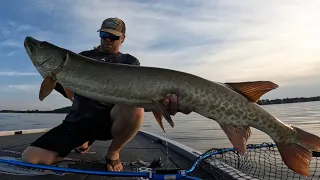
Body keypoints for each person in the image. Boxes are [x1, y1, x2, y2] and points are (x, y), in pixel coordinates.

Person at [21, 17, 192, 172]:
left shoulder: (129, 62)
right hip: (77, 122)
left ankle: (113, 152)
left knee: (135, 109)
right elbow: (70, 93)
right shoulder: (83, 57)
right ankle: (83, 141)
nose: (107, 39)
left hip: (110, 122)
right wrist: (52, 76)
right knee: (30, 158)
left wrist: (166, 103)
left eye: (113, 36)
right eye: (103, 34)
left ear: (122, 38)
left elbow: (143, 93)